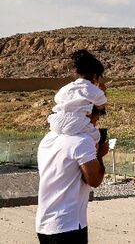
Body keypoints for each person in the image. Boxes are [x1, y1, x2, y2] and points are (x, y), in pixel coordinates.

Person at [36, 52, 109, 244]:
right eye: (98, 116)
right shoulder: (81, 141)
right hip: (68, 226)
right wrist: (100, 155)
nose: (97, 122)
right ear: (90, 113)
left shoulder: (48, 139)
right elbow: (93, 180)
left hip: (44, 224)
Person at [47, 50, 108, 143]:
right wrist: (102, 91)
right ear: (95, 76)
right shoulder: (95, 91)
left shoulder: (64, 88)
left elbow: (57, 99)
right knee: (96, 138)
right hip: (76, 123)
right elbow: (101, 106)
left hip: (56, 122)